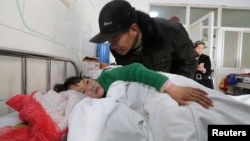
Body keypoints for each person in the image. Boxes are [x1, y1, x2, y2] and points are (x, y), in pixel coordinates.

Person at [89, 0, 198, 79]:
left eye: (115, 38)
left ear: (134, 29)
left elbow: (189, 62)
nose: (112, 46)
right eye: (108, 40)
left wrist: (176, 86)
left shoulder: (171, 31)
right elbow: (131, 71)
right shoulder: (117, 48)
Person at [55, 63, 213, 108]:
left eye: (87, 83)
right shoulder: (97, 105)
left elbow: (135, 69)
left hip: (166, 85)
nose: (90, 88)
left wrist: (171, 88)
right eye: (84, 92)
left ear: (90, 78)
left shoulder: (108, 76)